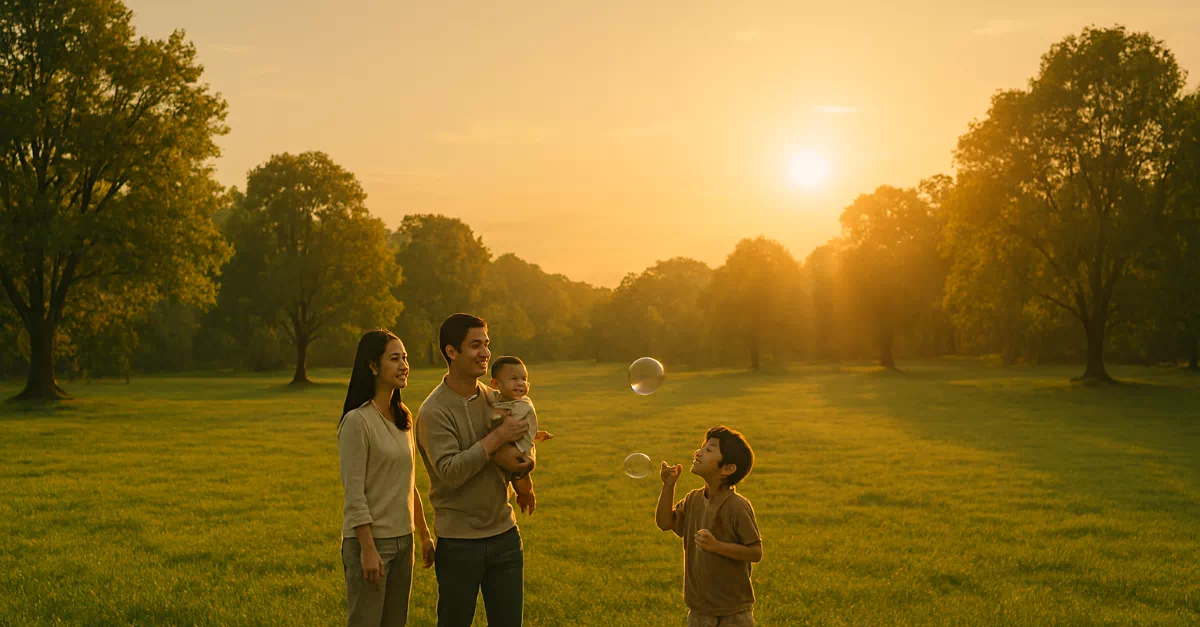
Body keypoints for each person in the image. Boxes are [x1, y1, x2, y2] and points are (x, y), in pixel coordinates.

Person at [415, 313, 531, 627]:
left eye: (487, 344)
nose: (485, 353)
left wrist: (524, 471)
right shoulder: (434, 411)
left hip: (505, 536)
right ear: (452, 352)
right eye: (475, 345)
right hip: (459, 544)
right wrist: (497, 437)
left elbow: (519, 456)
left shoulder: (498, 400)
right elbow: (450, 473)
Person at [337, 329, 435, 627]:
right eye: (394, 358)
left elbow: (409, 483)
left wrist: (424, 532)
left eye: (405, 357)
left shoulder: (403, 416)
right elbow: (354, 493)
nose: (404, 365)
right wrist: (367, 549)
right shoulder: (357, 421)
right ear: (372, 366)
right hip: (370, 543)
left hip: (404, 542)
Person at [656, 426, 763, 627]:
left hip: (734, 612)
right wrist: (668, 486)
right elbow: (664, 522)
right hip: (699, 610)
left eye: (709, 450)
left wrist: (717, 546)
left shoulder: (738, 506)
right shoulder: (693, 499)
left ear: (727, 468)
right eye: (702, 447)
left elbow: (755, 552)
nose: (698, 452)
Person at [486, 355, 553, 510]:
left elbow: (509, 423)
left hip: (521, 451)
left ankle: (526, 495)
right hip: (507, 447)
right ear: (496, 384)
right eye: (514, 378)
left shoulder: (522, 404)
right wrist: (538, 434)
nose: (520, 383)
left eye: (524, 378)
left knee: (521, 479)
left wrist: (496, 414)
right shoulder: (499, 399)